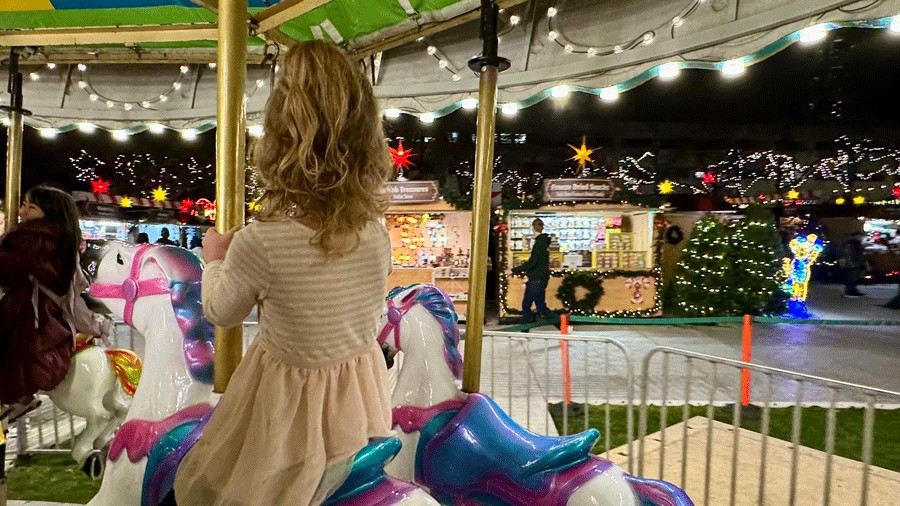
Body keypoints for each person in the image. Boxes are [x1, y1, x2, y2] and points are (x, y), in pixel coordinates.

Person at [171, 40, 394, 506]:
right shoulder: (375, 230)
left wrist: (214, 257)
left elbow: (221, 311)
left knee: (208, 490)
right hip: (357, 399)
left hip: (287, 410)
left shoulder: (263, 241)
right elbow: (368, 312)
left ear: (280, 134)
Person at [0, 186, 112, 422]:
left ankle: (16, 400)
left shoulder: (32, 238)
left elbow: (10, 266)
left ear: (49, 213)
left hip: (28, 317)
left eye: (31, 206)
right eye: (24, 204)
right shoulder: (64, 243)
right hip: (43, 318)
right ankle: (18, 400)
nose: (23, 210)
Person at [510, 218, 558, 325]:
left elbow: (532, 262)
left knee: (527, 305)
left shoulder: (539, 244)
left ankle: (526, 328)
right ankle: (562, 326)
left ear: (532, 228)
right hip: (542, 278)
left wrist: (513, 270)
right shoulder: (545, 242)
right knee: (540, 307)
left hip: (536, 279)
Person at [842, 231, 866, 297]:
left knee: (854, 278)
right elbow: (849, 255)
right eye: (861, 236)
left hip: (855, 263)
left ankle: (852, 290)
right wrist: (853, 264)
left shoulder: (855, 243)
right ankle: (850, 291)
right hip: (852, 264)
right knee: (851, 278)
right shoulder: (851, 244)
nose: (862, 238)